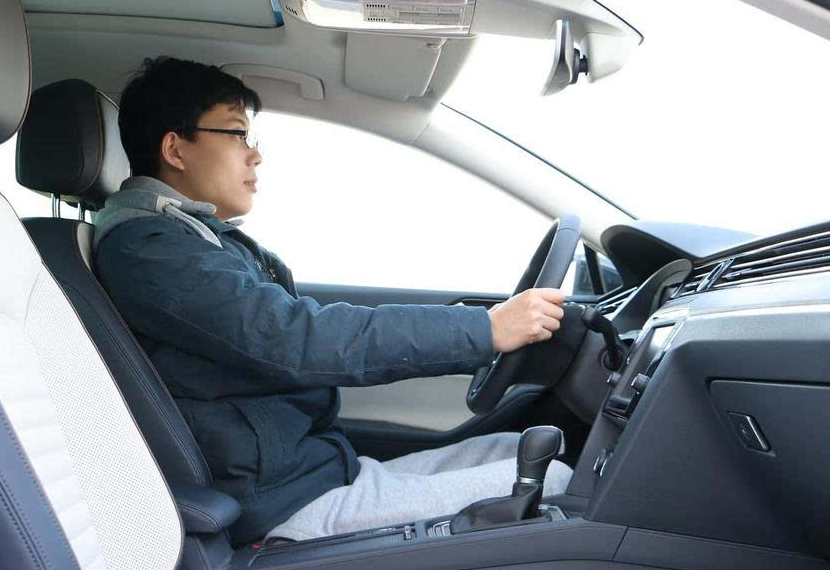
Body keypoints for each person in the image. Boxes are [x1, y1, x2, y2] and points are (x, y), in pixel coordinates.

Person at [94, 56, 572, 544]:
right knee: (552, 480)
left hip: (314, 472)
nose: (255, 155)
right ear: (175, 149)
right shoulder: (149, 250)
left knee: (515, 449)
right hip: (284, 503)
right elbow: (297, 337)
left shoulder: (192, 237)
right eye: (238, 134)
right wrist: (486, 329)